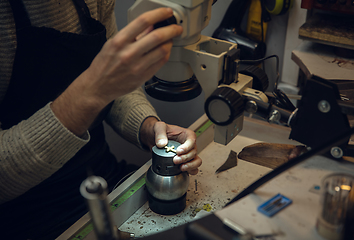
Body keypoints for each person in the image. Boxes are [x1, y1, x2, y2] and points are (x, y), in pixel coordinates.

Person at [0, 0, 202, 239]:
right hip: (26, 215)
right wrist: (90, 92)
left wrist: (148, 126)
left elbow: (115, 82)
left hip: (101, 175)